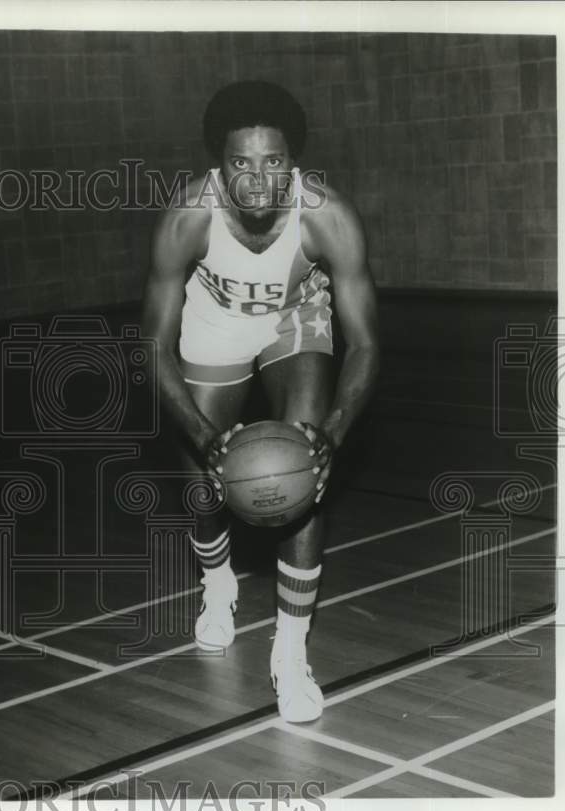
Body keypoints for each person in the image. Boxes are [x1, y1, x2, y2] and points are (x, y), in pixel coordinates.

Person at [142, 80, 379, 721]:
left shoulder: (327, 216)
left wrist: (330, 431)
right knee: (202, 486)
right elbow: (152, 346)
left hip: (292, 320)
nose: (255, 178)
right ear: (218, 165)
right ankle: (217, 585)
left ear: (293, 163)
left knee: (303, 463)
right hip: (213, 324)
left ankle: (291, 650)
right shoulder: (188, 217)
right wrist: (199, 433)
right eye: (239, 162)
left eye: (272, 162)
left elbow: (363, 347)